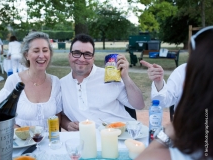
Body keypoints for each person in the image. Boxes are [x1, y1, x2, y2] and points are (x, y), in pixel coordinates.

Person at [136, 26, 213, 160]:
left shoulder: (170, 156)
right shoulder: (181, 71)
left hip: (185, 136)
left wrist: (170, 131)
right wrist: (159, 81)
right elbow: (164, 100)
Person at [60, 34, 145, 131]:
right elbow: (60, 114)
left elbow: (139, 105)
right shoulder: (61, 84)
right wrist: (67, 124)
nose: (81, 59)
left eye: (87, 54)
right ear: (69, 55)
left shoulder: (109, 75)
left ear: (93, 58)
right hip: (89, 138)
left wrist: (125, 77)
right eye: (76, 53)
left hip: (121, 134)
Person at [0, 32, 62, 129]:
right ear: (26, 55)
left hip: (49, 143)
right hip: (21, 143)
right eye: (36, 51)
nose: (41, 55)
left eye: (45, 50)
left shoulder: (55, 82)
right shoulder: (14, 81)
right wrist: (21, 133)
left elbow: (58, 115)